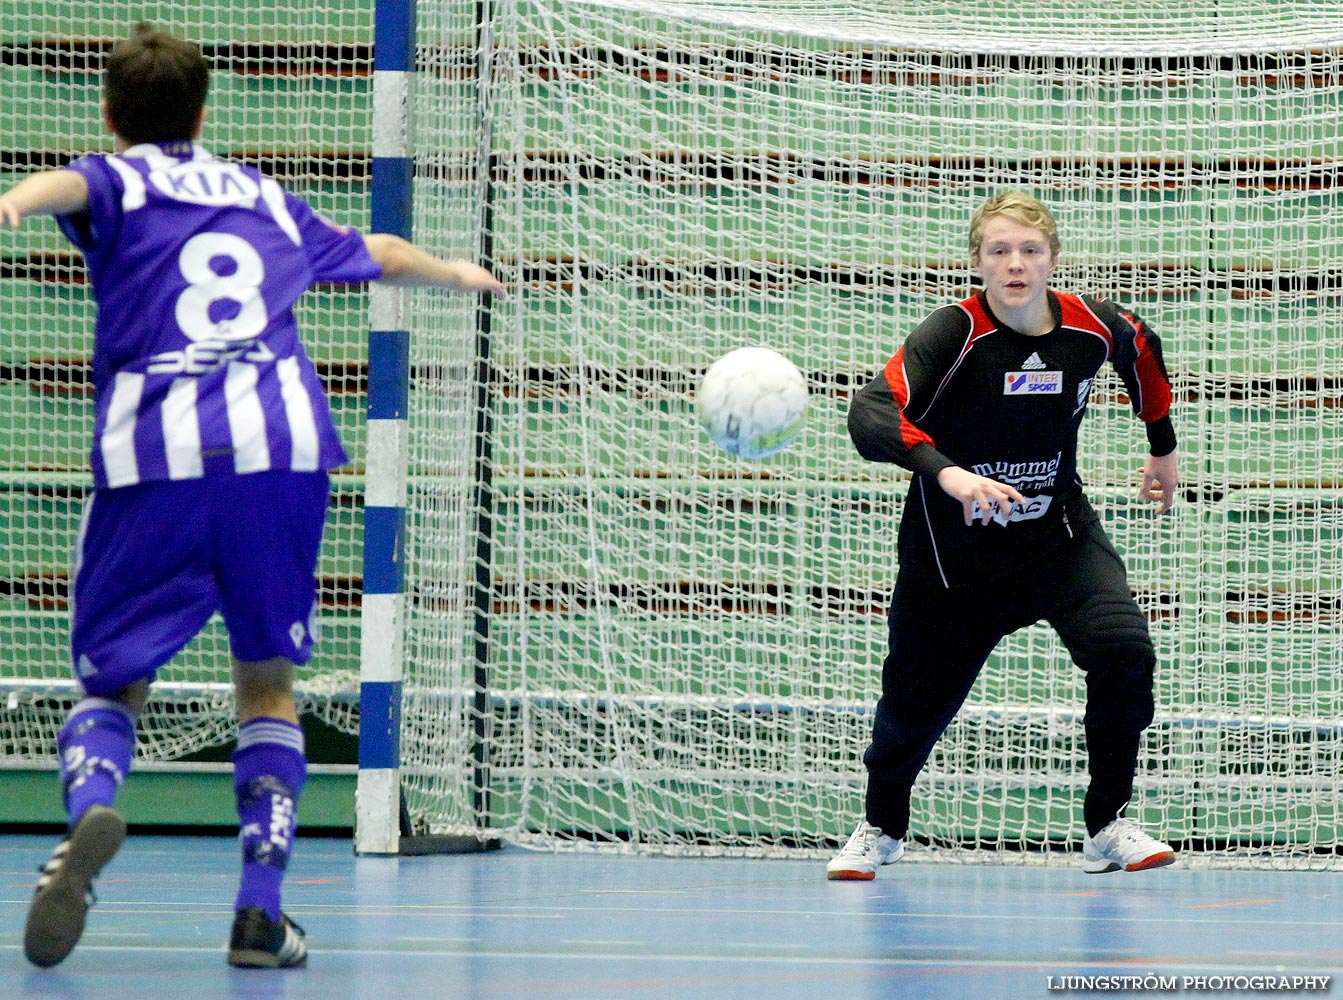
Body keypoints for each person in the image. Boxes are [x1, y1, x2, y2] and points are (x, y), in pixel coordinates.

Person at [0, 24, 504, 968]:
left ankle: (90, 810)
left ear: (110, 116)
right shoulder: (263, 196)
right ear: (204, 109)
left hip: (156, 455)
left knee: (114, 681)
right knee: (266, 685)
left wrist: (13, 204)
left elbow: (71, 187)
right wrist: (457, 273)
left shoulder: (117, 179)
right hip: (282, 450)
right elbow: (384, 249)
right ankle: (259, 915)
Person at [829, 191, 1179, 880]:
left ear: (1051, 260)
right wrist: (948, 474)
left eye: (1029, 250)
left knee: (1123, 650)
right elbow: (871, 411)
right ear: (977, 262)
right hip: (952, 556)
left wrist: (1160, 444)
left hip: (1056, 536)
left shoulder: (1090, 326)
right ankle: (880, 827)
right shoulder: (951, 333)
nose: (1014, 263)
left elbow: (1142, 349)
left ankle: (1106, 825)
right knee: (911, 705)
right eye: (998, 250)